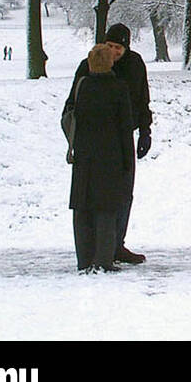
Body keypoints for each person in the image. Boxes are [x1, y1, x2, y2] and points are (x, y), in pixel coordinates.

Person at [64, 24, 151, 265]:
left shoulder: (134, 65)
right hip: (95, 143)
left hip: (123, 137)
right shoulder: (89, 65)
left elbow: (143, 98)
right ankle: (100, 249)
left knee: (124, 193)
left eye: (118, 48)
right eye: (110, 46)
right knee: (96, 198)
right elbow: (73, 101)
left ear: (126, 48)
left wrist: (145, 130)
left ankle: (116, 243)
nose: (113, 52)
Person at [68, 44, 135, 273]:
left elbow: (70, 114)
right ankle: (103, 259)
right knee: (106, 208)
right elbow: (125, 127)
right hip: (110, 156)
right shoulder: (118, 88)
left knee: (83, 208)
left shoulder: (82, 86)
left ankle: (84, 258)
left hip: (84, 154)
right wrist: (128, 160)